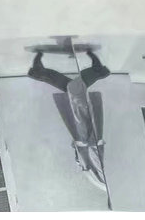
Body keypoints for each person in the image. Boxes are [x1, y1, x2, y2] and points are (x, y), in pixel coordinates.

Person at [28, 49, 110, 193]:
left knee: (74, 94)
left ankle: (97, 72)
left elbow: (88, 162)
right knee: (74, 93)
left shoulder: (103, 185)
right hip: (89, 138)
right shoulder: (106, 185)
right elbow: (94, 160)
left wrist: (81, 144)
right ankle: (40, 73)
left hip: (86, 137)